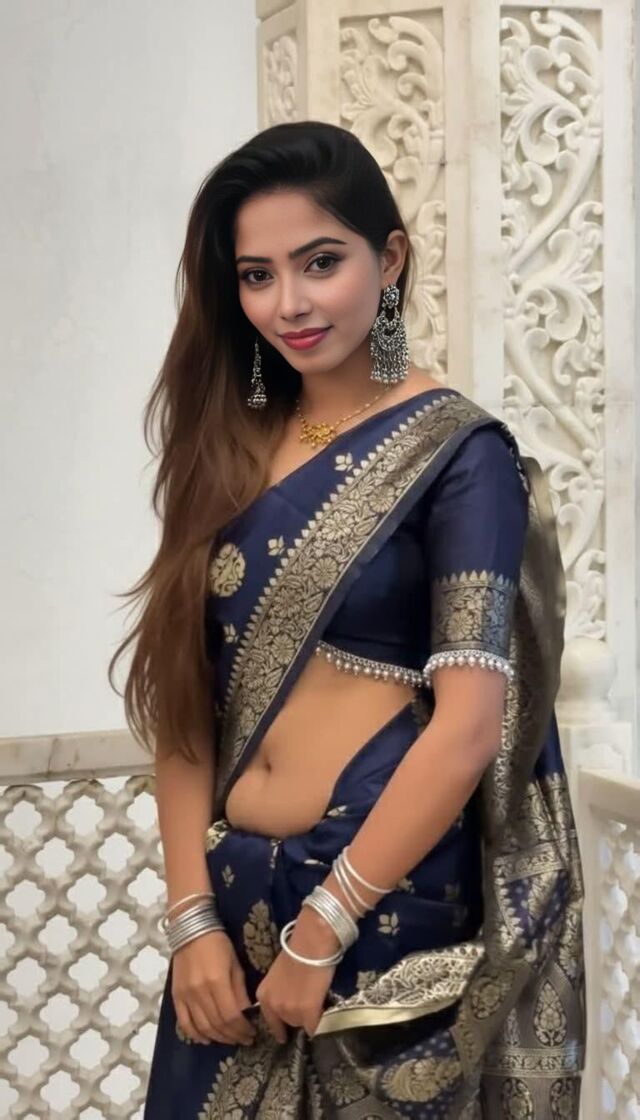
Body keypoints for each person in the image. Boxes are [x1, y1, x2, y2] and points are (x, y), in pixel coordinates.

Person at [109, 120, 585, 1118]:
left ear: (390, 259)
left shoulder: (460, 457)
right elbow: (183, 701)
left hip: (381, 919)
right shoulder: (226, 449)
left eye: (320, 262)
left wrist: (325, 925)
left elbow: (468, 725)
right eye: (257, 275)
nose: (288, 302)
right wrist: (191, 919)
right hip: (229, 920)